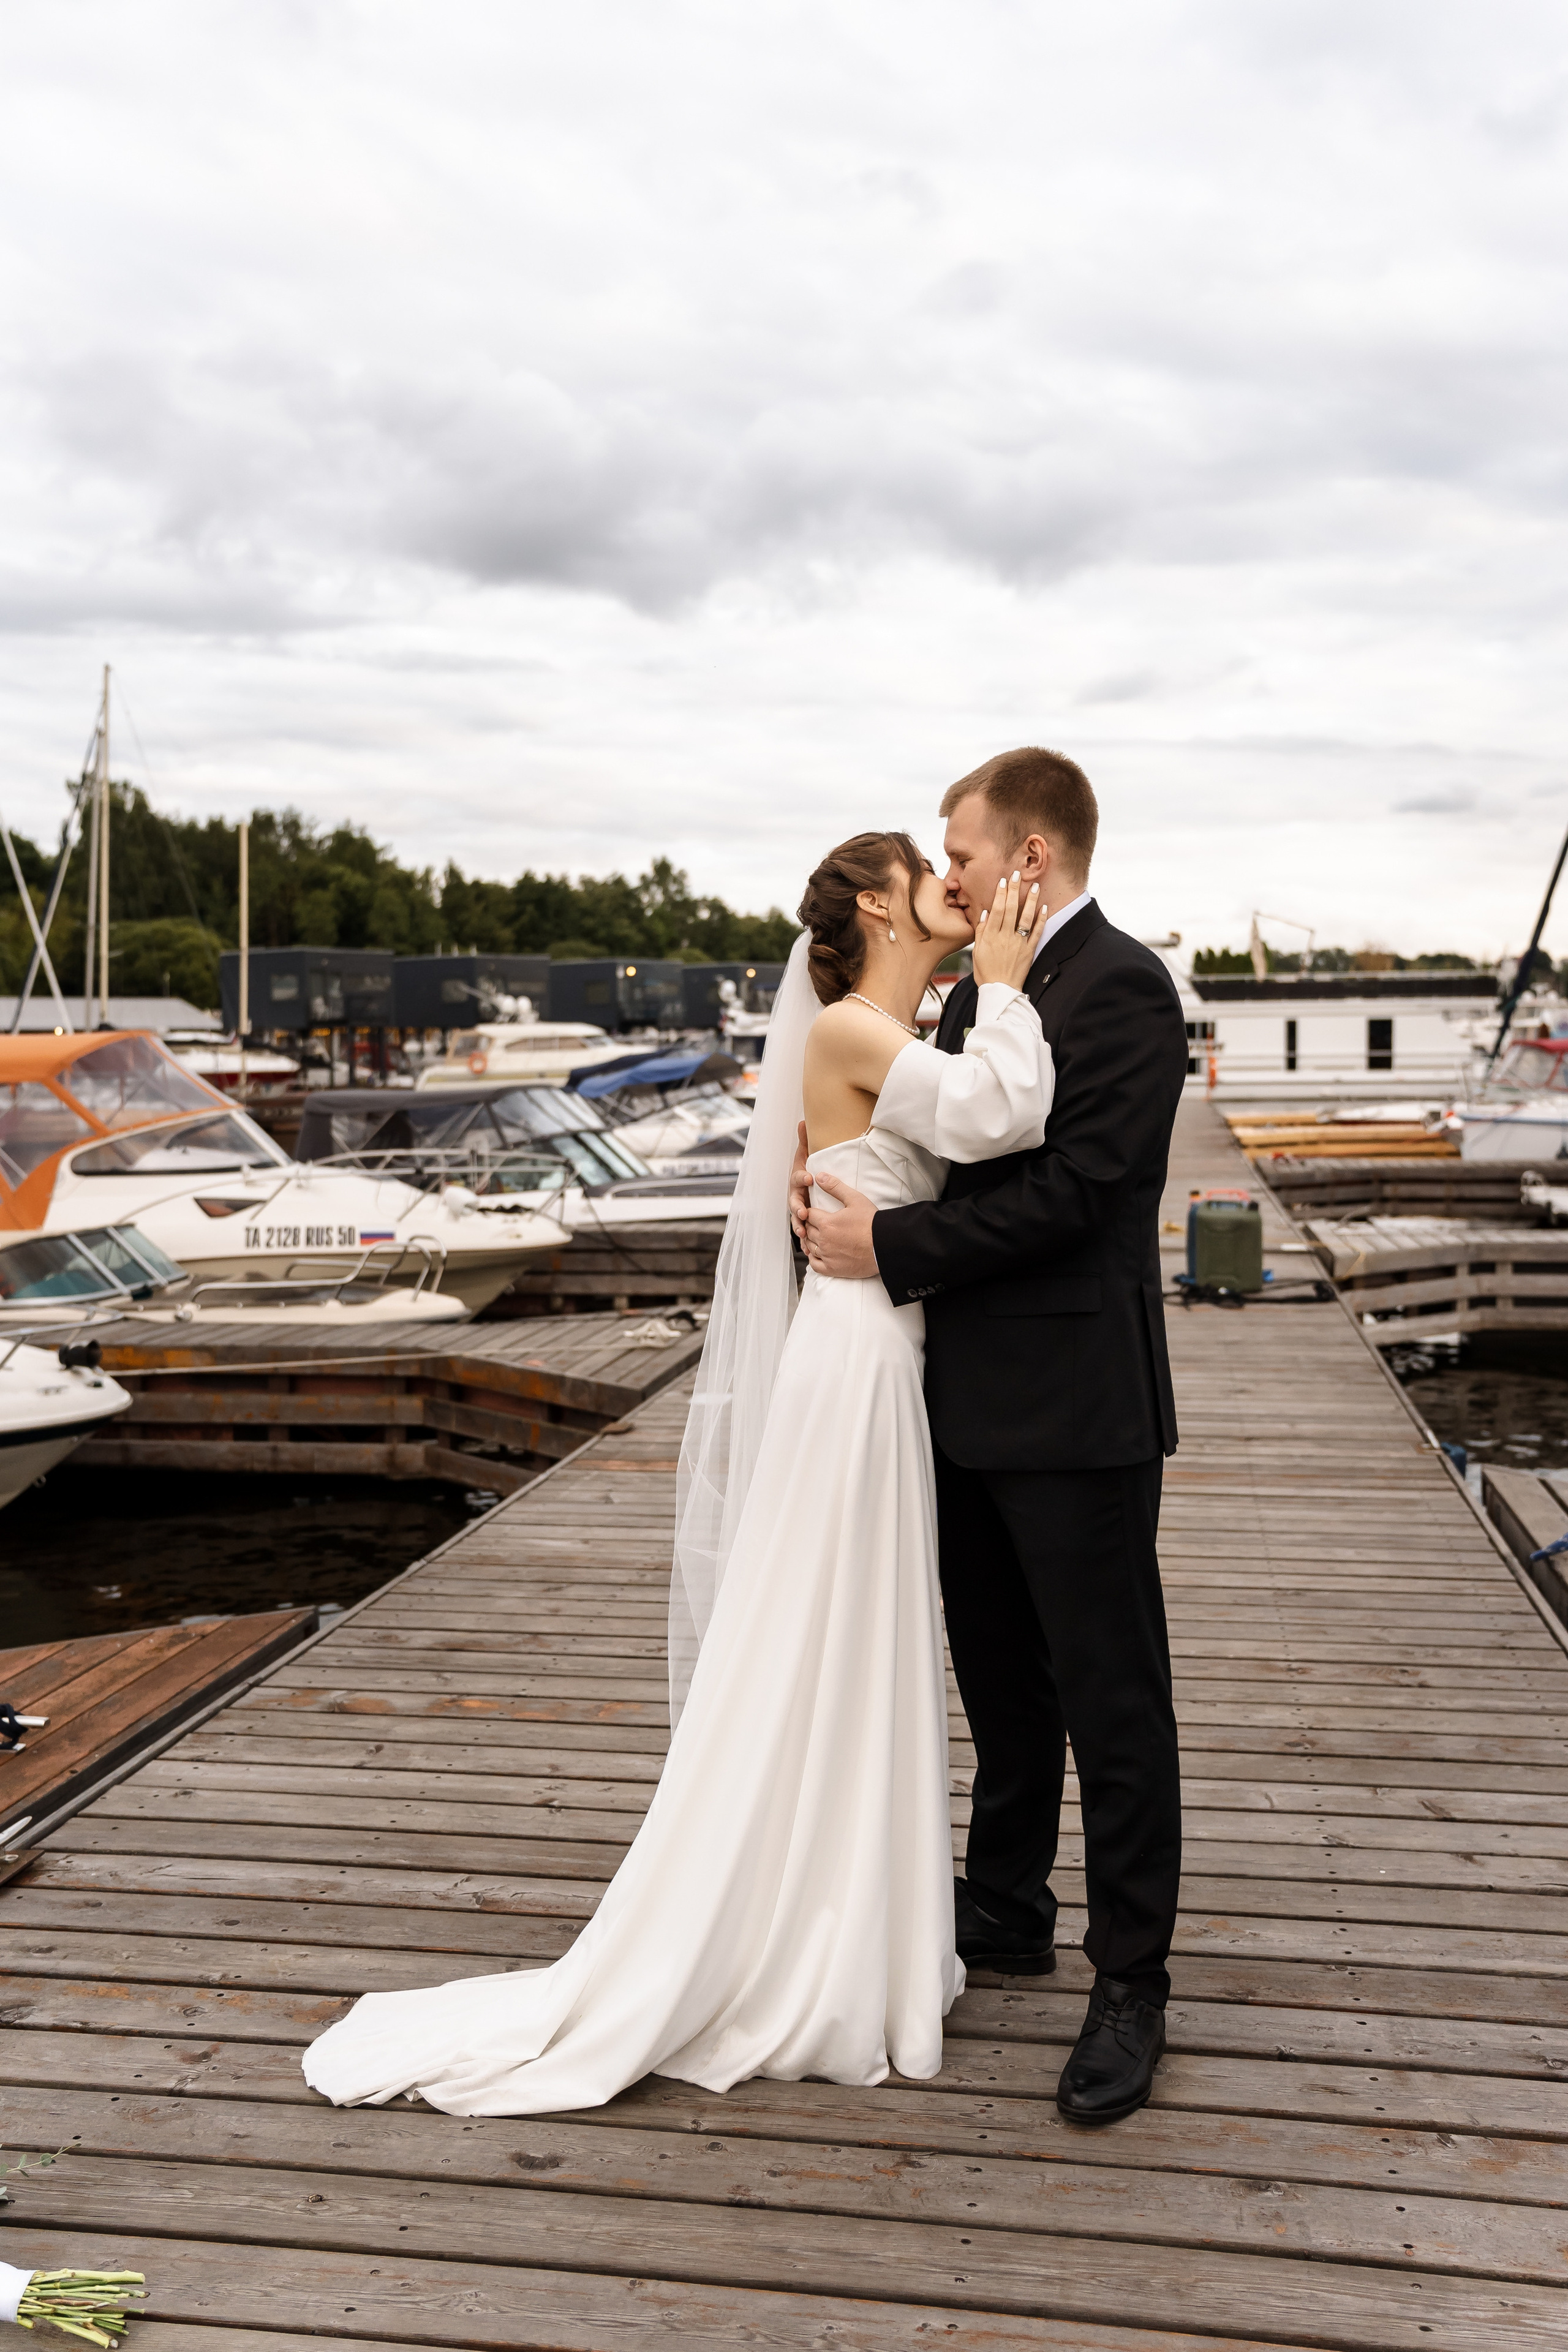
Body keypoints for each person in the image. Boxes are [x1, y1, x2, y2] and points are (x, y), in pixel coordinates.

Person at [301, 831, 1054, 2117]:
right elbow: (1002, 1114)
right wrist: (1014, 982)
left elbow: (969, 1133)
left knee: (853, 1633)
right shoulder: (850, 1035)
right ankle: (804, 1934)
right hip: (859, 1358)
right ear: (877, 902)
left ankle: (848, 1913)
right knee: (831, 1629)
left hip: (880, 1352)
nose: (948, 878)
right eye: (922, 866)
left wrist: (988, 987)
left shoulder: (890, 1029)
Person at [797, 747, 1189, 2125]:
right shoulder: (971, 991)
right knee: (1002, 1695)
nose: (943, 871)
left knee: (1109, 1701)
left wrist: (884, 1243)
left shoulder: (1127, 988)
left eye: (958, 850)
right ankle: (1006, 1906)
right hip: (952, 1401)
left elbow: (1079, 1197)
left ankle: (1129, 1981)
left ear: (1027, 856)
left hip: (1077, 1411)